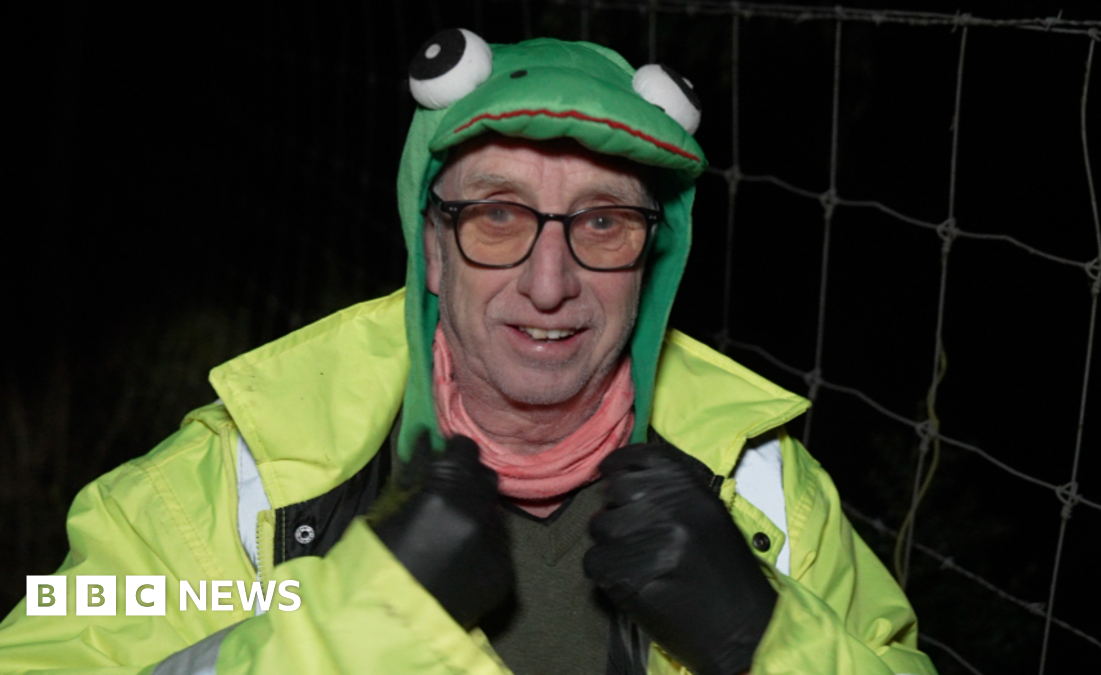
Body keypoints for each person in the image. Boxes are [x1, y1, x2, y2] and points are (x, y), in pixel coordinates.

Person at [0, 30, 937, 675]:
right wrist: (360, 623)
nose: (549, 281)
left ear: (652, 254)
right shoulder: (225, 485)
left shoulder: (767, 493)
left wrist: (761, 636)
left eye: (603, 222)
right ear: (432, 247)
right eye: (497, 215)